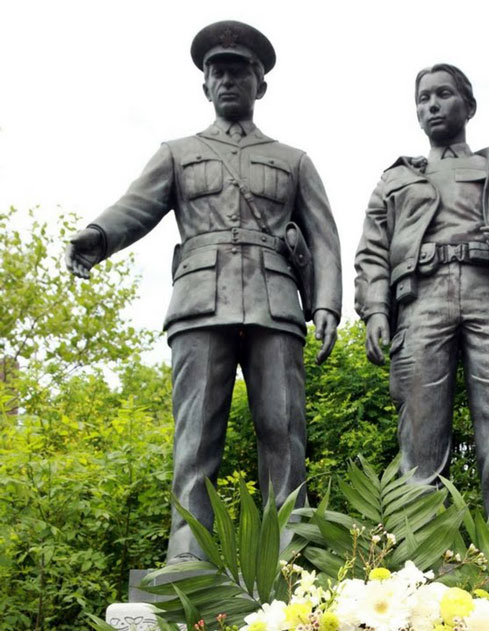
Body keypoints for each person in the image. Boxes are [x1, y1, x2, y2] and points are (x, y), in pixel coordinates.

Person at [65, 20, 342, 563]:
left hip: (275, 304)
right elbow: (135, 206)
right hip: (199, 304)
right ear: (205, 85)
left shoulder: (294, 160)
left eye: (240, 71)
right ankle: (188, 554)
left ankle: (289, 554)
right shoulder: (177, 152)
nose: (228, 80)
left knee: (284, 434)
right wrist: (98, 234)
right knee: (195, 437)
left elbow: (324, 238)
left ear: (261, 84)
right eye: (218, 71)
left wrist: (327, 302)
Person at [354, 63, 489, 519]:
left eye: (443, 94)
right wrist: (375, 310)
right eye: (423, 98)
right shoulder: (396, 179)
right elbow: (372, 254)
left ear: (468, 106)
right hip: (420, 302)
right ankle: (421, 566)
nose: (431, 104)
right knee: (419, 443)